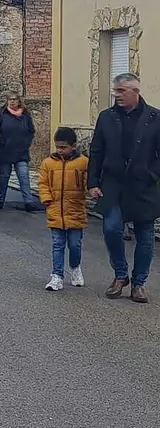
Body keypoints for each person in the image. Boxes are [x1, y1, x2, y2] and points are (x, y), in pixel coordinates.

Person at [88, 73, 160, 303]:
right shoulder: (106, 117)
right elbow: (96, 150)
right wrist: (92, 183)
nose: (116, 95)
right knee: (111, 228)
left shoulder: (155, 117)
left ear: (135, 92)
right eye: (115, 90)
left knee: (145, 235)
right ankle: (120, 275)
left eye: (122, 91)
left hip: (143, 185)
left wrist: (152, 174)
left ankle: (139, 283)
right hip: (113, 183)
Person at [38, 127, 88, 291]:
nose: (60, 150)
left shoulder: (83, 163)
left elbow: (89, 182)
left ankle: (75, 267)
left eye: (63, 147)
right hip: (55, 210)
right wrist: (46, 198)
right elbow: (43, 183)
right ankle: (57, 275)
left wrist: (91, 191)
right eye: (57, 146)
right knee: (57, 244)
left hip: (75, 210)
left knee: (75, 245)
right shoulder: (48, 163)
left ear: (73, 146)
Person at [0, 93, 39, 211]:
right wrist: (2, 141)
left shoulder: (25, 115)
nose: (12, 102)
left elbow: (31, 131)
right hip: (5, 151)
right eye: (10, 99)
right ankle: (0, 199)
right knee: (4, 177)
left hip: (21, 151)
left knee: (24, 176)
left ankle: (28, 201)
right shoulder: (1, 115)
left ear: (19, 101)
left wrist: (26, 142)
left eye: (14, 99)